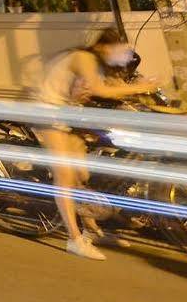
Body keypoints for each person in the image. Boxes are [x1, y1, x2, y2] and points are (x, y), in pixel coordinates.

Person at [35, 28, 160, 259]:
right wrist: (141, 87)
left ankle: (91, 230)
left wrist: (142, 91)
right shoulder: (84, 58)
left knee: (81, 175)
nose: (121, 55)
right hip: (48, 114)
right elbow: (100, 89)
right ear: (103, 47)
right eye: (118, 50)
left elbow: (111, 87)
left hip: (68, 114)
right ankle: (73, 239)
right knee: (65, 176)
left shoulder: (99, 63)